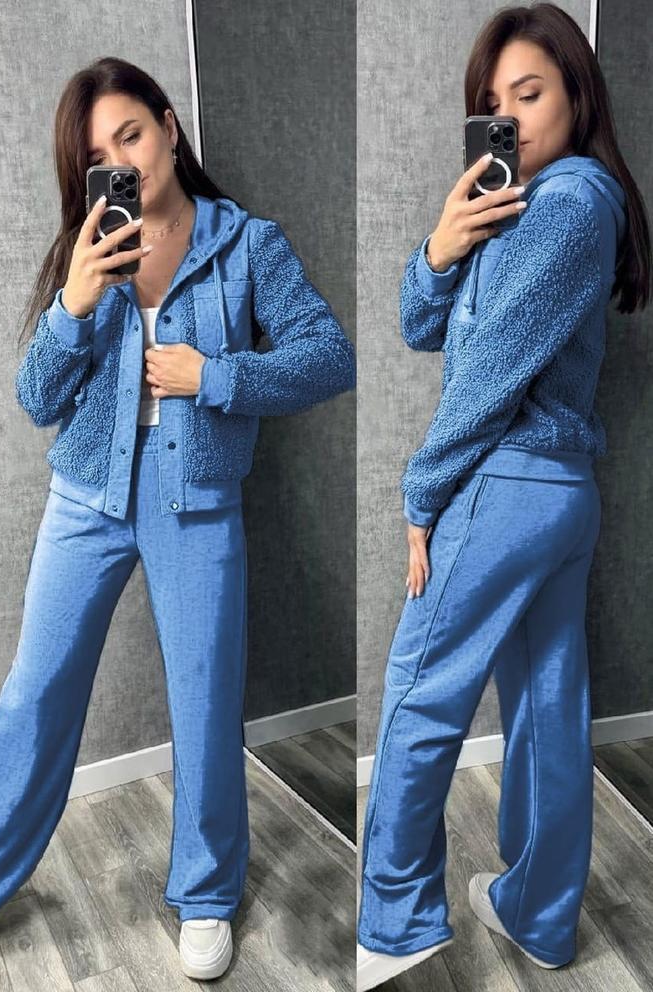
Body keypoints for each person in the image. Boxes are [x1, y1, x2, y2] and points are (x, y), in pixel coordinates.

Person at [0, 56, 355, 980]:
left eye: (131, 134)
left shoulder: (247, 244)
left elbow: (329, 355)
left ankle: (205, 895)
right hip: (85, 499)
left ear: (169, 126)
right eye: (99, 155)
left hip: (196, 503)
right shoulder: (87, 249)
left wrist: (218, 376)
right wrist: (74, 303)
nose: (121, 161)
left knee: (206, 703)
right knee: (36, 693)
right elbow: (37, 399)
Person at [356, 5, 650, 989]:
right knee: (546, 707)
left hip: (505, 478)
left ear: (578, 94)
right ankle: (539, 913)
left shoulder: (569, 203)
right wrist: (441, 245)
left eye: (530, 92)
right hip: (556, 497)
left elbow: (487, 371)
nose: (511, 117)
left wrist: (421, 491)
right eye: (493, 102)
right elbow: (418, 326)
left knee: (419, 695)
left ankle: (395, 924)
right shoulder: (516, 204)